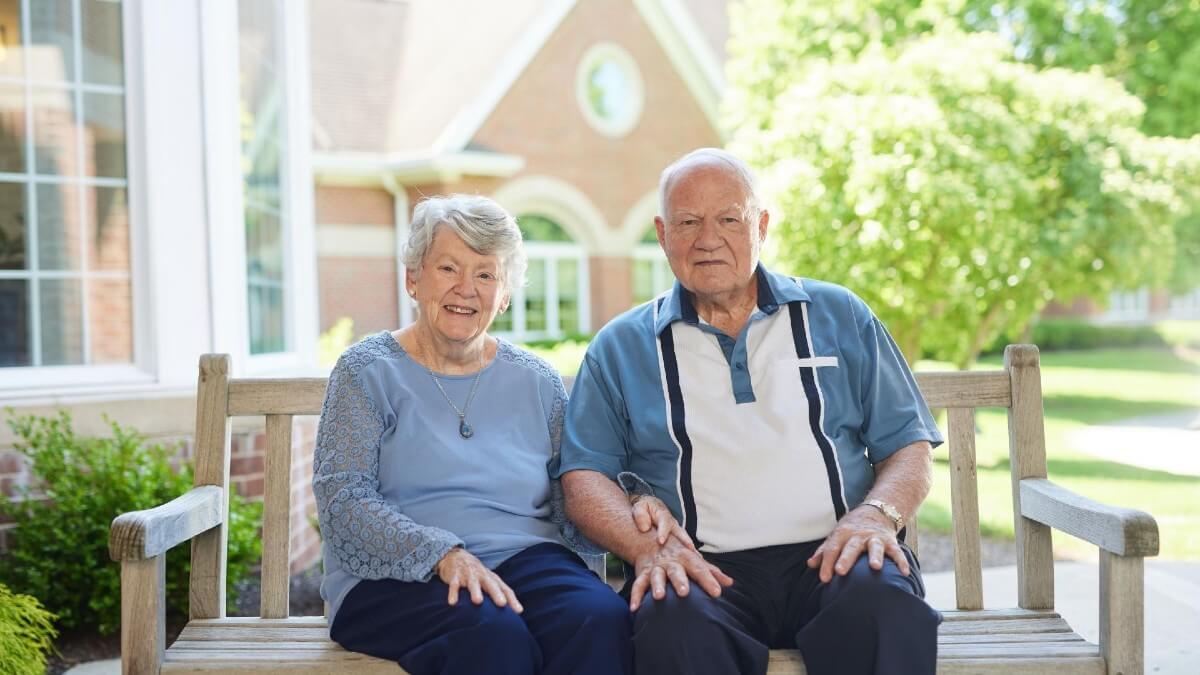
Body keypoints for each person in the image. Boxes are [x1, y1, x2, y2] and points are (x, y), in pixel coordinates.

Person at [556, 148, 945, 675]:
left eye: (728, 219)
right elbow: (584, 477)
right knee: (673, 624)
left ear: (760, 224)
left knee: (884, 609)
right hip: (701, 566)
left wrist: (878, 516)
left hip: (836, 554)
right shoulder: (621, 346)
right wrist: (645, 547)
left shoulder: (839, 314)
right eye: (688, 222)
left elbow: (908, 444)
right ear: (662, 233)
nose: (707, 238)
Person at [313, 194, 631, 675]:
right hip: (397, 574)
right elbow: (343, 500)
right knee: (491, 636)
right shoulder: (366, 371)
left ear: (504, 295)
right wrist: (440, 553)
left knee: (599, 618)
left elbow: (575, 489)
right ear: (413, 278)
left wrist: (635, 503)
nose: (466, 289)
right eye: (448, 268)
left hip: (525, 559)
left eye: (486, 275)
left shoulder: (537, 381)